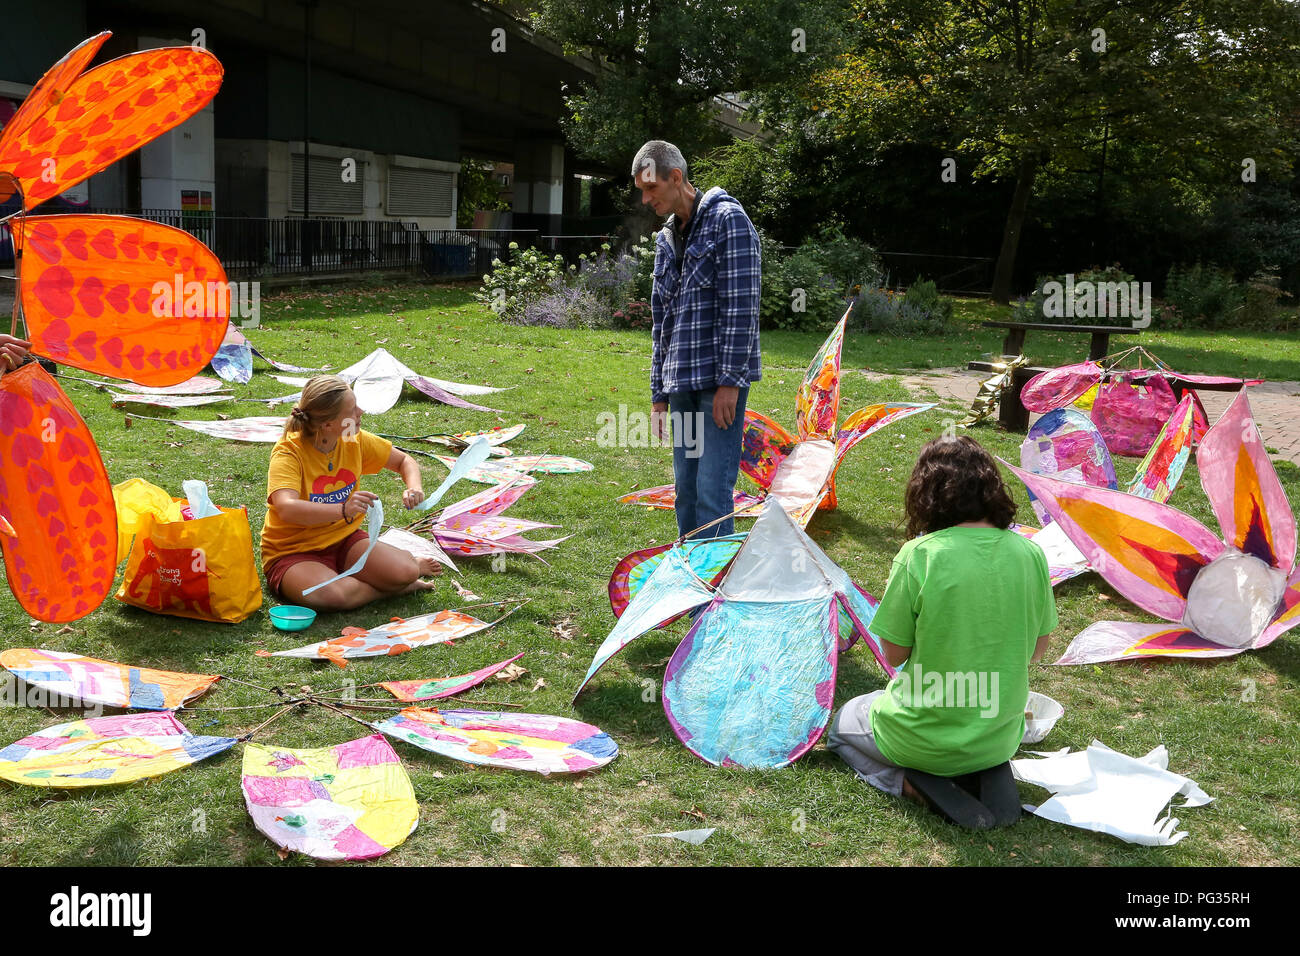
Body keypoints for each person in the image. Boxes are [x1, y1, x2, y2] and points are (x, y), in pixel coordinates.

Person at [828, 435, 1057, 827]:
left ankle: (908, 784)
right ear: (992, 490)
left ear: (926, 494)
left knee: (841, 726)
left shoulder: (920, 556)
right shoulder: (1031, 553)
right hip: (1000, 734)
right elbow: (1038, 650)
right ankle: (980, 769)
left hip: (921, 737)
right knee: (973, 737)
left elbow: (894, 655)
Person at [633, 139, 761, 538]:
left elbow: (741, 308)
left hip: (717, 386)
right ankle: (688, 581)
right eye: (641, 190)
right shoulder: (665, 238)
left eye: (650, 188)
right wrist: (658, 393)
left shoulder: (728, 220)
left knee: (711, 493)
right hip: (679, 385)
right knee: (685, 493)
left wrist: (729, 383)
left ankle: (715, 588)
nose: (645, 199)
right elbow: (661, 321)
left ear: (676, 178)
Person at [261, 374, 441, 611]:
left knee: (405, 571)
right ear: (327, 424)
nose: (361, 411)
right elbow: (287, 508)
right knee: (330, 596)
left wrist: (414, 487)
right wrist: (342, 509)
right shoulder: (288, 452)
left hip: (344, 540)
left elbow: (404, 461)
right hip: (294, 551)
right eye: (352, 409)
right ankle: (392, 588)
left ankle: (399, 576)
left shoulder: (352, 439)